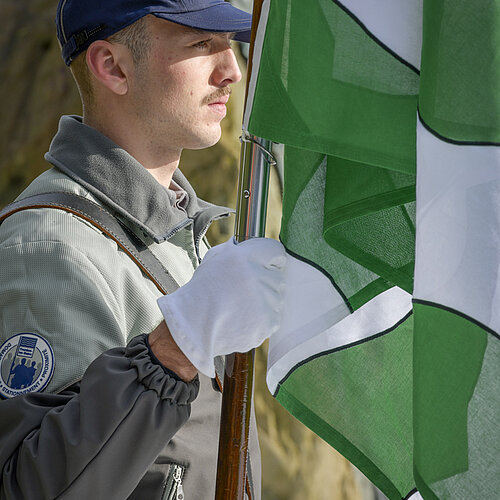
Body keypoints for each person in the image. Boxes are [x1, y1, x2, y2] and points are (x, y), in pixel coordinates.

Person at [0, 1, 287, 498]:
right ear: (112, 66)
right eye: (201, 44)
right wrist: (173, 348)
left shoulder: (175, 233)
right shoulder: (52, 245)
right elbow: (29, 486)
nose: (232, 71)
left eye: (230, 45)